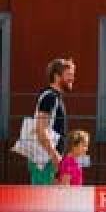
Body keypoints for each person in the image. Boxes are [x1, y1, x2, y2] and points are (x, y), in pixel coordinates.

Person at [31, 57, 75, 185]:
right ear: (57, 76)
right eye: (69, 74)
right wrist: (55, 155)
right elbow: (41, 129)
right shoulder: (50, 97)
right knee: (41, 197)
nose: (72, 78)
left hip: (49, 160)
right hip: (45, 160)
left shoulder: (54, 97)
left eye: (73, 75)